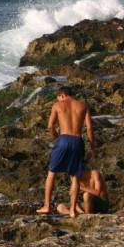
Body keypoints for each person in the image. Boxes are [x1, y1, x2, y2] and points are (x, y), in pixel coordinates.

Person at [36, 86, 95, 217]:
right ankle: (73, 210)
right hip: (78, 141)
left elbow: (50, 126)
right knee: (75, 176)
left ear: (62, 95)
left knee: (52, 173)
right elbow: (90, 129)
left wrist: (57, 138)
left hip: (63, 138)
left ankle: (46, 206)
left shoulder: (57, 105)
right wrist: (92, 148)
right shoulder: (83, 105)